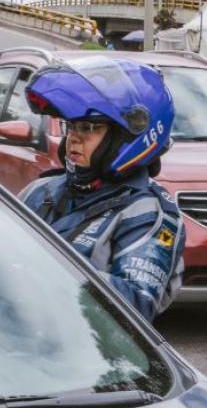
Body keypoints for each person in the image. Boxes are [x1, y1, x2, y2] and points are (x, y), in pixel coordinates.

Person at [19, 57, 185, 321]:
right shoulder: (40, 191)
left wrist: (31, 268)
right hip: (5, 342)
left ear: (125, 136)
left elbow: (135, 303)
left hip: (82, 355)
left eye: (88, 128)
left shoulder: (147, 213)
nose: (73, 137)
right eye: (71, 126)